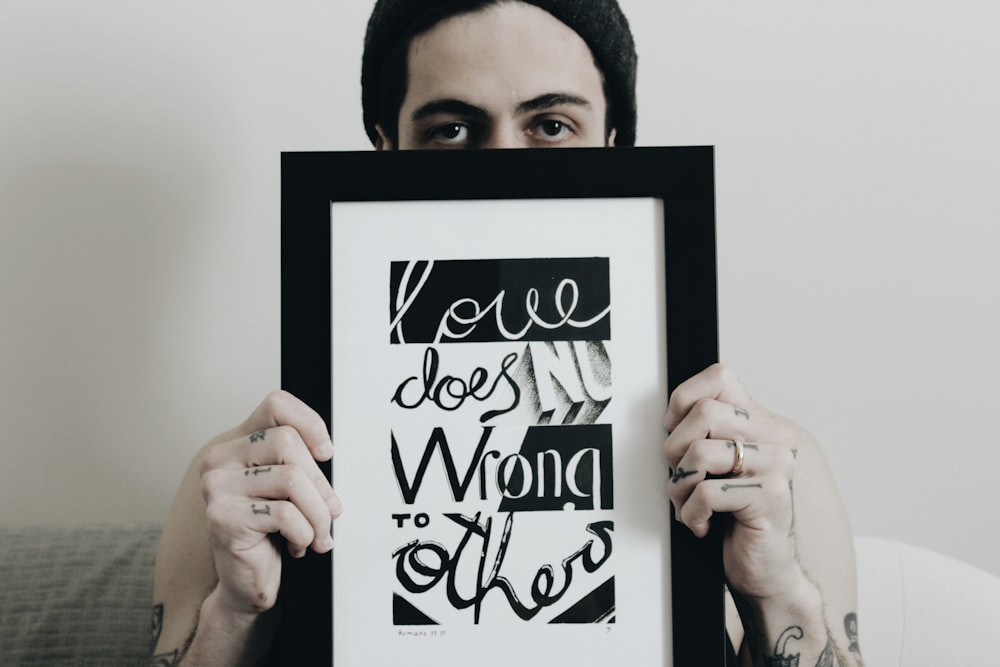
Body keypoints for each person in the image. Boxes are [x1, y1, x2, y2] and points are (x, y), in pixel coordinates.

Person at [151, 1, 862, 665]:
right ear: (382, 150)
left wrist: (777, 591)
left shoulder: (766, 472)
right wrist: (236, 616)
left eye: (551, 125)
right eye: (450, 130)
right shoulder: (250, 479)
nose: (504, 170)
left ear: (616, 145)